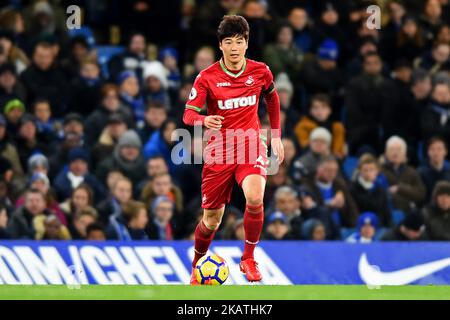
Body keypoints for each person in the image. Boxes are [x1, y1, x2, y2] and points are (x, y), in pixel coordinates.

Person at [182, 15, 284, 283]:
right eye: (229, 42)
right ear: (221, 46)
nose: (235, 47)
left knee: (255, 196)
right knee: (212, 220)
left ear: (247, 44)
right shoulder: (206, 78)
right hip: (220, 151)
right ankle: (196, 266)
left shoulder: (260, 71)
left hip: (250, 143)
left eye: (240, 41)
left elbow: (272, 99)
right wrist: (204, 119)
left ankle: (248, 258)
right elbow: (188, 115)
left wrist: (276, 135)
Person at [302, 156, 358, 228]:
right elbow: (312, 209)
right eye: (328, 170)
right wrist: (330, 204)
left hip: (341, 228)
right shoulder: (308, 186)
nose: (332, 173)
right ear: (319, 169)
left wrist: (343, 206)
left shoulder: (340, 186)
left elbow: (352, 209)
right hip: (318, 229)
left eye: (334, 171)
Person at [381, 136, 426, 212]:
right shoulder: (379, 171)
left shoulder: (412, 172)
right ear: (386, 153)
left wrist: (400, 188)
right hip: (386, 211)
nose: (395, 153)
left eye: (398, 149)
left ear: (404, 153)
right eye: (391, 149)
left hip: (408, 212)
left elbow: (420, 194)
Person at [294, 93, 346, 158]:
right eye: (315, 107)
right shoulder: (302, 126)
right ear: (310, 111)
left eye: (324, 107)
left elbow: (339, 152)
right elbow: (304, 148)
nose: (319, 111)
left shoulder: (337, 128)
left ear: (330, 110)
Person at [350, 154, 391, 227]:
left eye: (372, 170)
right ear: (360, 171)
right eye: (365, 170)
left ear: (377, 171)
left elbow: (386, 213)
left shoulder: (381, 190)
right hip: (360, 226)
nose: (368, 173)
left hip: (379, 227)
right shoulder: (352, 188)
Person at [418, 137, 450, 202]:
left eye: (439, 149)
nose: (436, 152)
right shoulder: (420, 173)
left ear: (445, 151)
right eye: (432, 149)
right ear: (428, 152)